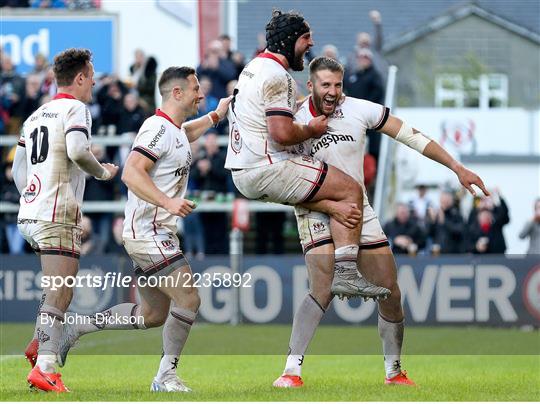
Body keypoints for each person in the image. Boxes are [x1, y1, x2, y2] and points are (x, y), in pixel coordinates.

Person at [272, 56, 489, 388]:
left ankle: (394, 372)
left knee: (390, 290)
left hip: (359, 209)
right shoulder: (292, 122)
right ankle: (291, 370)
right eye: (325, 85)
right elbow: (282, 179)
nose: (332, 92)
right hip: (313, 208)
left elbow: (412, 136)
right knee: (322, 287)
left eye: (338, 85)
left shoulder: (360, 109)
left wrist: (456, 167)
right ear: (310, 85)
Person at [52, 67, 231, 392]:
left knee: (153, 314)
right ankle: (165, 377)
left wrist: (215, 117)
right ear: (176, 93)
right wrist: (168, 202)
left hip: (149, 232)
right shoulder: (156, 128)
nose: (201, 95)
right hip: (149, 232)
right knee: (188, 299)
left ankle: (78, 326)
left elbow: (186, 133)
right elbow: (131, 172)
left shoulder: (172, 129)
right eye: (195, 89)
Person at [225, 9, 389, 300]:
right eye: (305, 38)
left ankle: (333, 212)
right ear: (289, 41)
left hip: (242, 170)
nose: (310, 44)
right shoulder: (279, 77)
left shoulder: (252, 67)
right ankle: (347, 275)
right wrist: (311, 129)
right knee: (351, 190)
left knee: (333, 198)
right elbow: (282, 133)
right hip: (267, 166)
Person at [14, 48, 119, 392]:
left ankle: (37, 344)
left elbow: (18, 168)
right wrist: (103, 173)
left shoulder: (35, 115)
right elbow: (76, 150)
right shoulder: (76, 109)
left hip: (30, 212)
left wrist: (31, 194)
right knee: (61, 291)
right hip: (57, 213)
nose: (92, 84)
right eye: (90, 77)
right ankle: (45, 366)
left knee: (54, 288)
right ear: (78, 79)